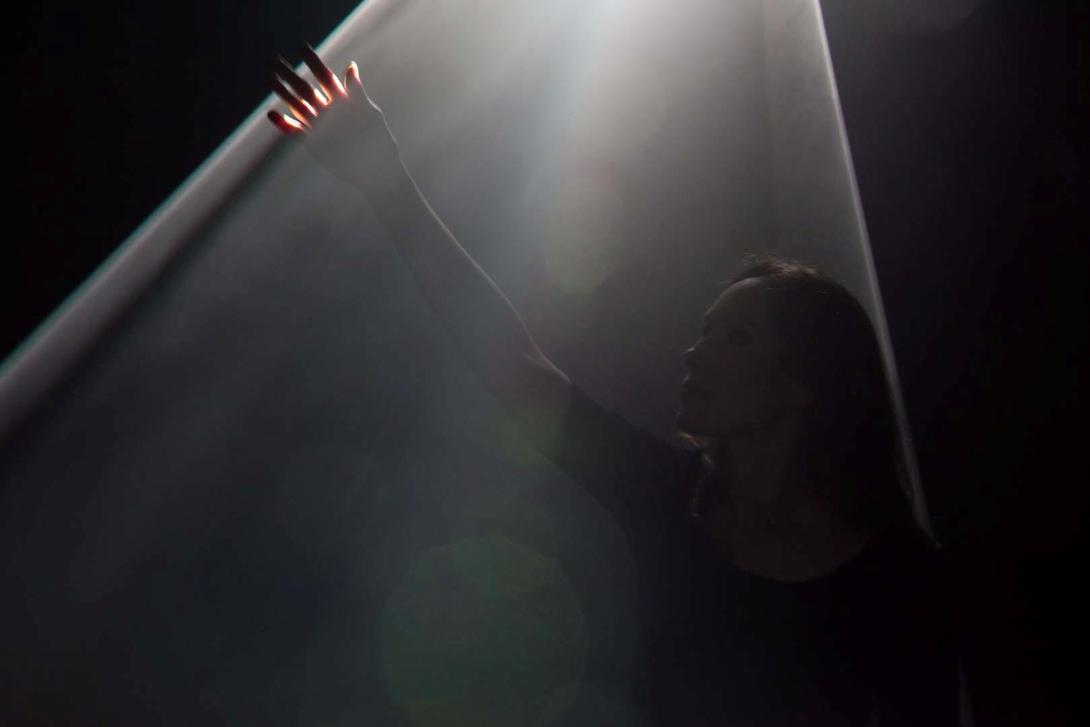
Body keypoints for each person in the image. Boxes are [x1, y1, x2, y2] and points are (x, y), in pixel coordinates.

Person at [268, 46, 960, 725]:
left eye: (736, 338)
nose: (696, 352)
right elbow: (517, 367)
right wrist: (387, 180)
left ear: (807, 383)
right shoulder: (670, 497)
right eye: (707, 331)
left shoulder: (897, 581)